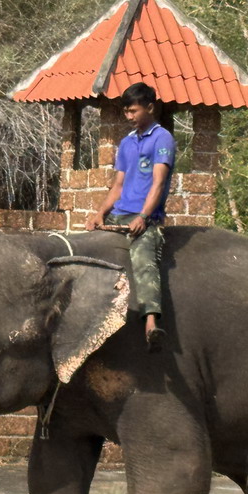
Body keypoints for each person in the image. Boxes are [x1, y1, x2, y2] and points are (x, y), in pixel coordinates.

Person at [85, 82, 175, 351]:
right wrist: (100, 213)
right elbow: (118, 185)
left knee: (143, 257)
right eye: (126, 112)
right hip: (119, 216)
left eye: (133, 111)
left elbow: (158, 184)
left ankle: (151, 323)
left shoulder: (163, 139)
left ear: (150, 107)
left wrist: (144, 217)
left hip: (144, 218)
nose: (129, 116)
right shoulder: (126, 143)